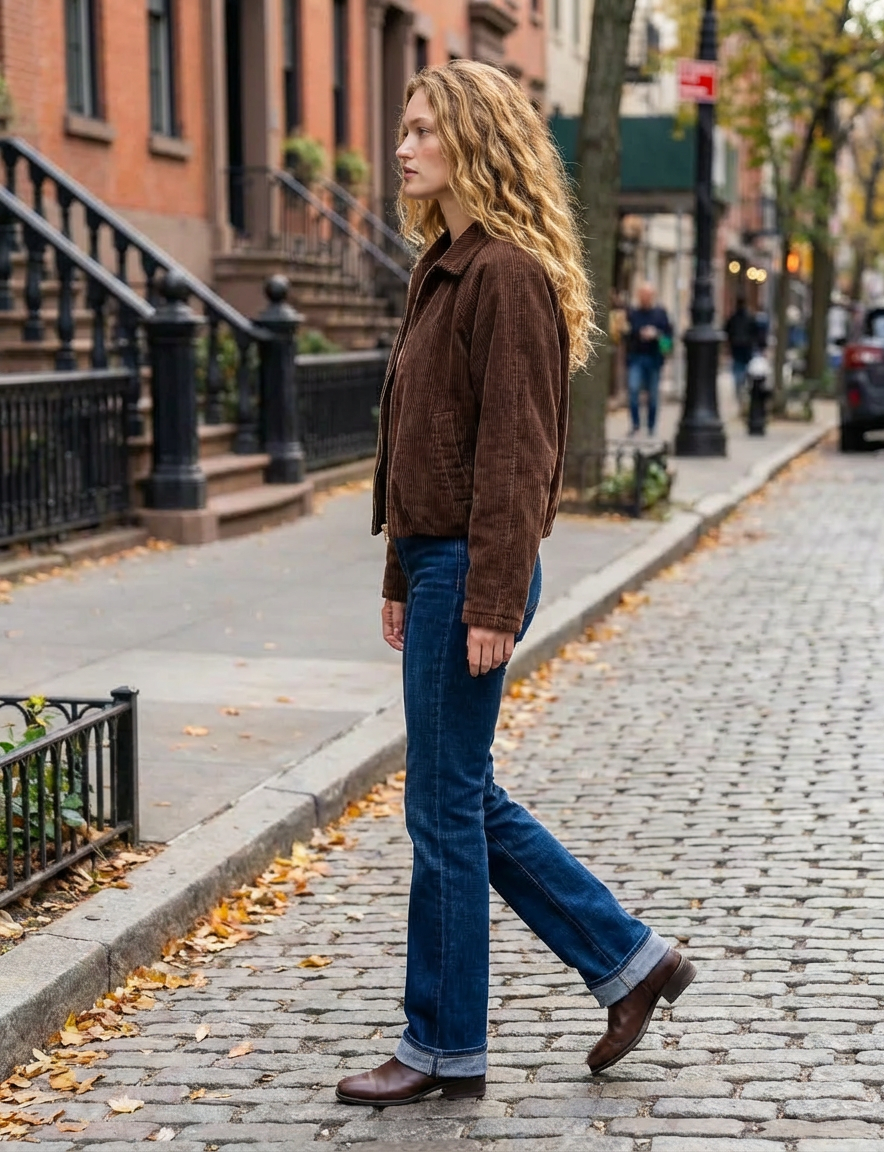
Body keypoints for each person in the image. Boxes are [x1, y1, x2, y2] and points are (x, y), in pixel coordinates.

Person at [334, 60, 696, 1110]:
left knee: (442, 809)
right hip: (438, 561)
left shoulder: (506, 274)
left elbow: (516, 454)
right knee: (461, 797)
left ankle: (442, 1045)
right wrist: (399, 567)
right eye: (403, 128)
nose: (402, 147)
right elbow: (418, 438)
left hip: (473, 566)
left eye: (422, 130)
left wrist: (489, 597)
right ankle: (629, 960)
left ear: (476, 142)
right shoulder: (443, 264)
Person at [626, 283, 673, 437]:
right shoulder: (633, 313)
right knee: (633, 390)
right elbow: (627, 334)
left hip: (654, 358)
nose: (644, 298)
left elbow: (668, 336)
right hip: (636, 357)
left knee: (653, 395)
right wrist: (638, 334)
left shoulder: (660, 314)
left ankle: (651, 426)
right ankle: (635, 425)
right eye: (642, 295)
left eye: (647, 295)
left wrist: (656, 335)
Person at [725, 296, 758, 402]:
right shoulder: (750, 318)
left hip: (736, 346)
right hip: (747, 347)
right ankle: (743, 384)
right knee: (745, 366)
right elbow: (755, 332)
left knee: (737, 366)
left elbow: (727, 331)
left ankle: (739, 385)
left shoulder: (733, 318)